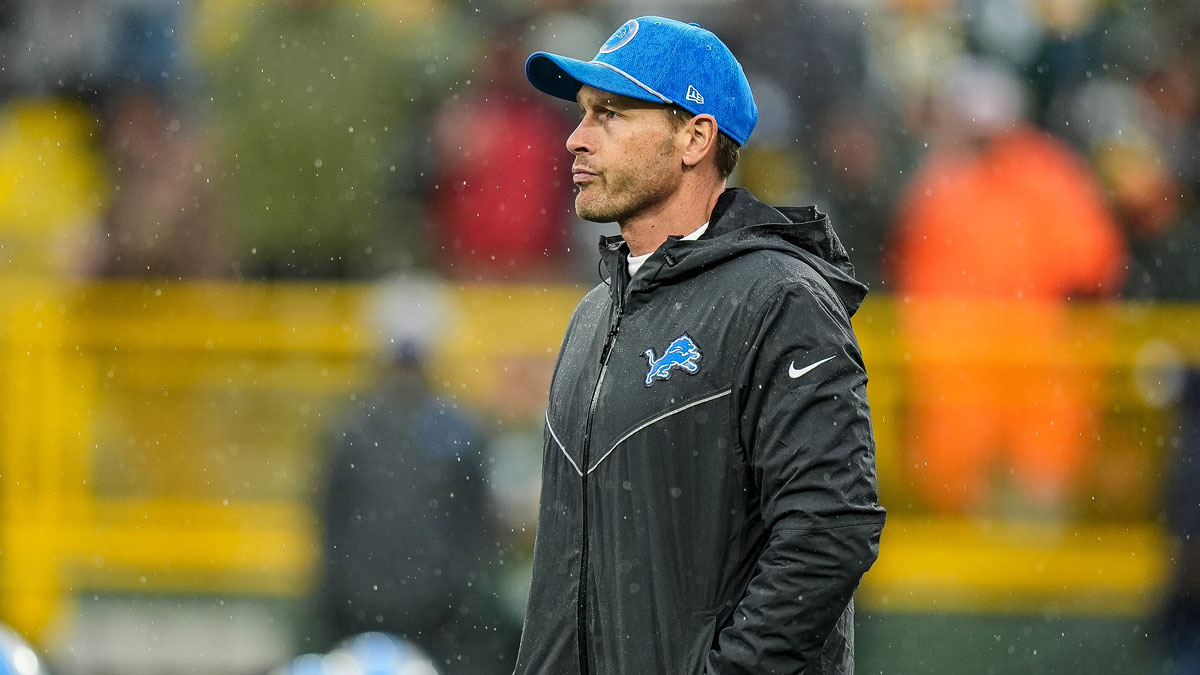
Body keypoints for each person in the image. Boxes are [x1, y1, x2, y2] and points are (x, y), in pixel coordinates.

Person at [516, 17, 886, 674]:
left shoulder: (781, 298)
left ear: (694, 137)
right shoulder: (593, 313)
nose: (576, 138)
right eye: (582, 114)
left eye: (611, 114)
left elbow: (830, 528)